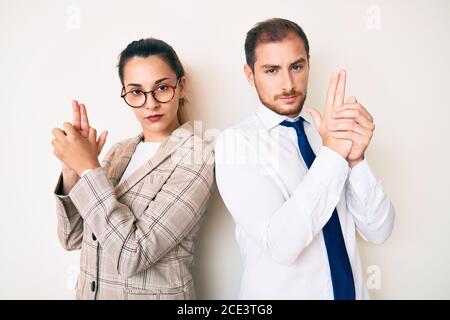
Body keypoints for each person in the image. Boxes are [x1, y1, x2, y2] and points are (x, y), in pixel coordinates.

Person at [214, 18, 395, 299]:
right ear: (250, 75)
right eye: (272, 70)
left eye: (296, 67)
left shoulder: (325, 132)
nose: (288, 83)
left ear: (308, 64)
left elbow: (379, 230)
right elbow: (282, 245)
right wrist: (333, 154)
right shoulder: (235, 144)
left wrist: (356, 160)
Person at [51, 38, 214, 299]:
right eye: (137, 92)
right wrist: (73, 171)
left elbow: (132, 255)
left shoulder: (197, 156)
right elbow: (73, 238)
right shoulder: (119, 152)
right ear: (125, 93)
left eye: (161, 87)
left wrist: (89, 168)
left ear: (181, 86)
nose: (150, 104)